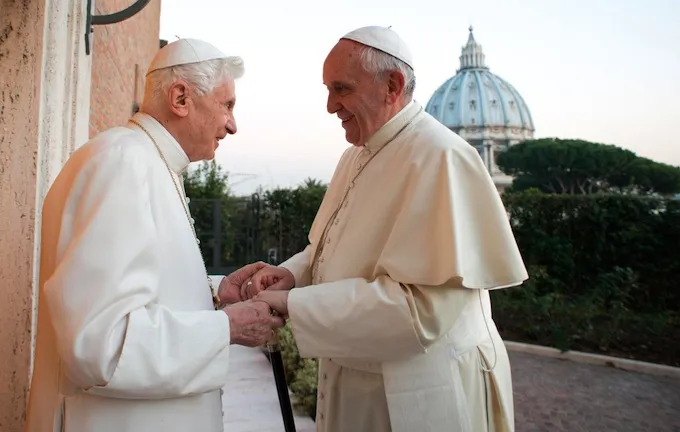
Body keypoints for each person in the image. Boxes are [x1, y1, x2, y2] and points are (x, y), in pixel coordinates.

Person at [243, 26, 529, 432]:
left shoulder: (441, 157)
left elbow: (420, 312)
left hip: (417, 393)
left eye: (340, 89)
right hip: (357, 379)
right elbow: (330, 246)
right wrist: (291, 274)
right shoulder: (356, 155)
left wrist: (293, 304)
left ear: (392, 85)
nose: (329, 106)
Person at [25, 38, 284, 432]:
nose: (233, 124)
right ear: (181, 98)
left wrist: (214, 298)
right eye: (227, 105)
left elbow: (141, 295)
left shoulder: (147, 162)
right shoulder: (124, 162)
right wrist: (227, 326)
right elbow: (101, 345)